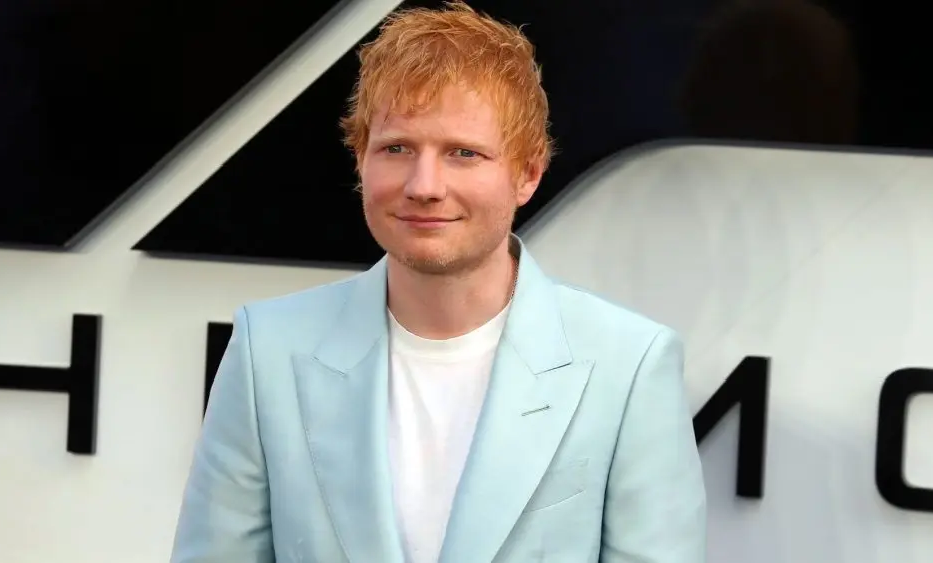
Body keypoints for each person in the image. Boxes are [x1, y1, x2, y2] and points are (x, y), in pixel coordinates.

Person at [170, 2, 706, 562]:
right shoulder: (268, 351)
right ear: (360, 160)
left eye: (463, 154)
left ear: (527, 173)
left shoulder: (628, 365)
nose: (424, 185)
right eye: (397, 148)